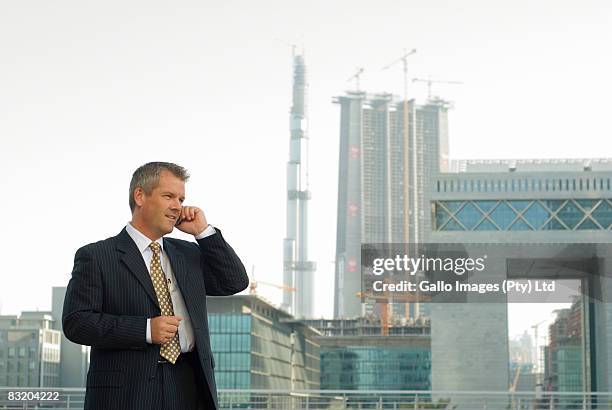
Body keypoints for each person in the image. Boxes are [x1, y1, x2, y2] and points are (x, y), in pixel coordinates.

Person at [62, 162, 249, 410]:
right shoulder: (97, 256)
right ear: (140, 196)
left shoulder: (189, 254)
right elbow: (77, 323)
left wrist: (203, 232)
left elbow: (234, 282)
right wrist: (145, 330)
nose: (177, 206)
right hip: (126, 393)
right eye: (168, 196)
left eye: (181, 199)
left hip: (189, 386)